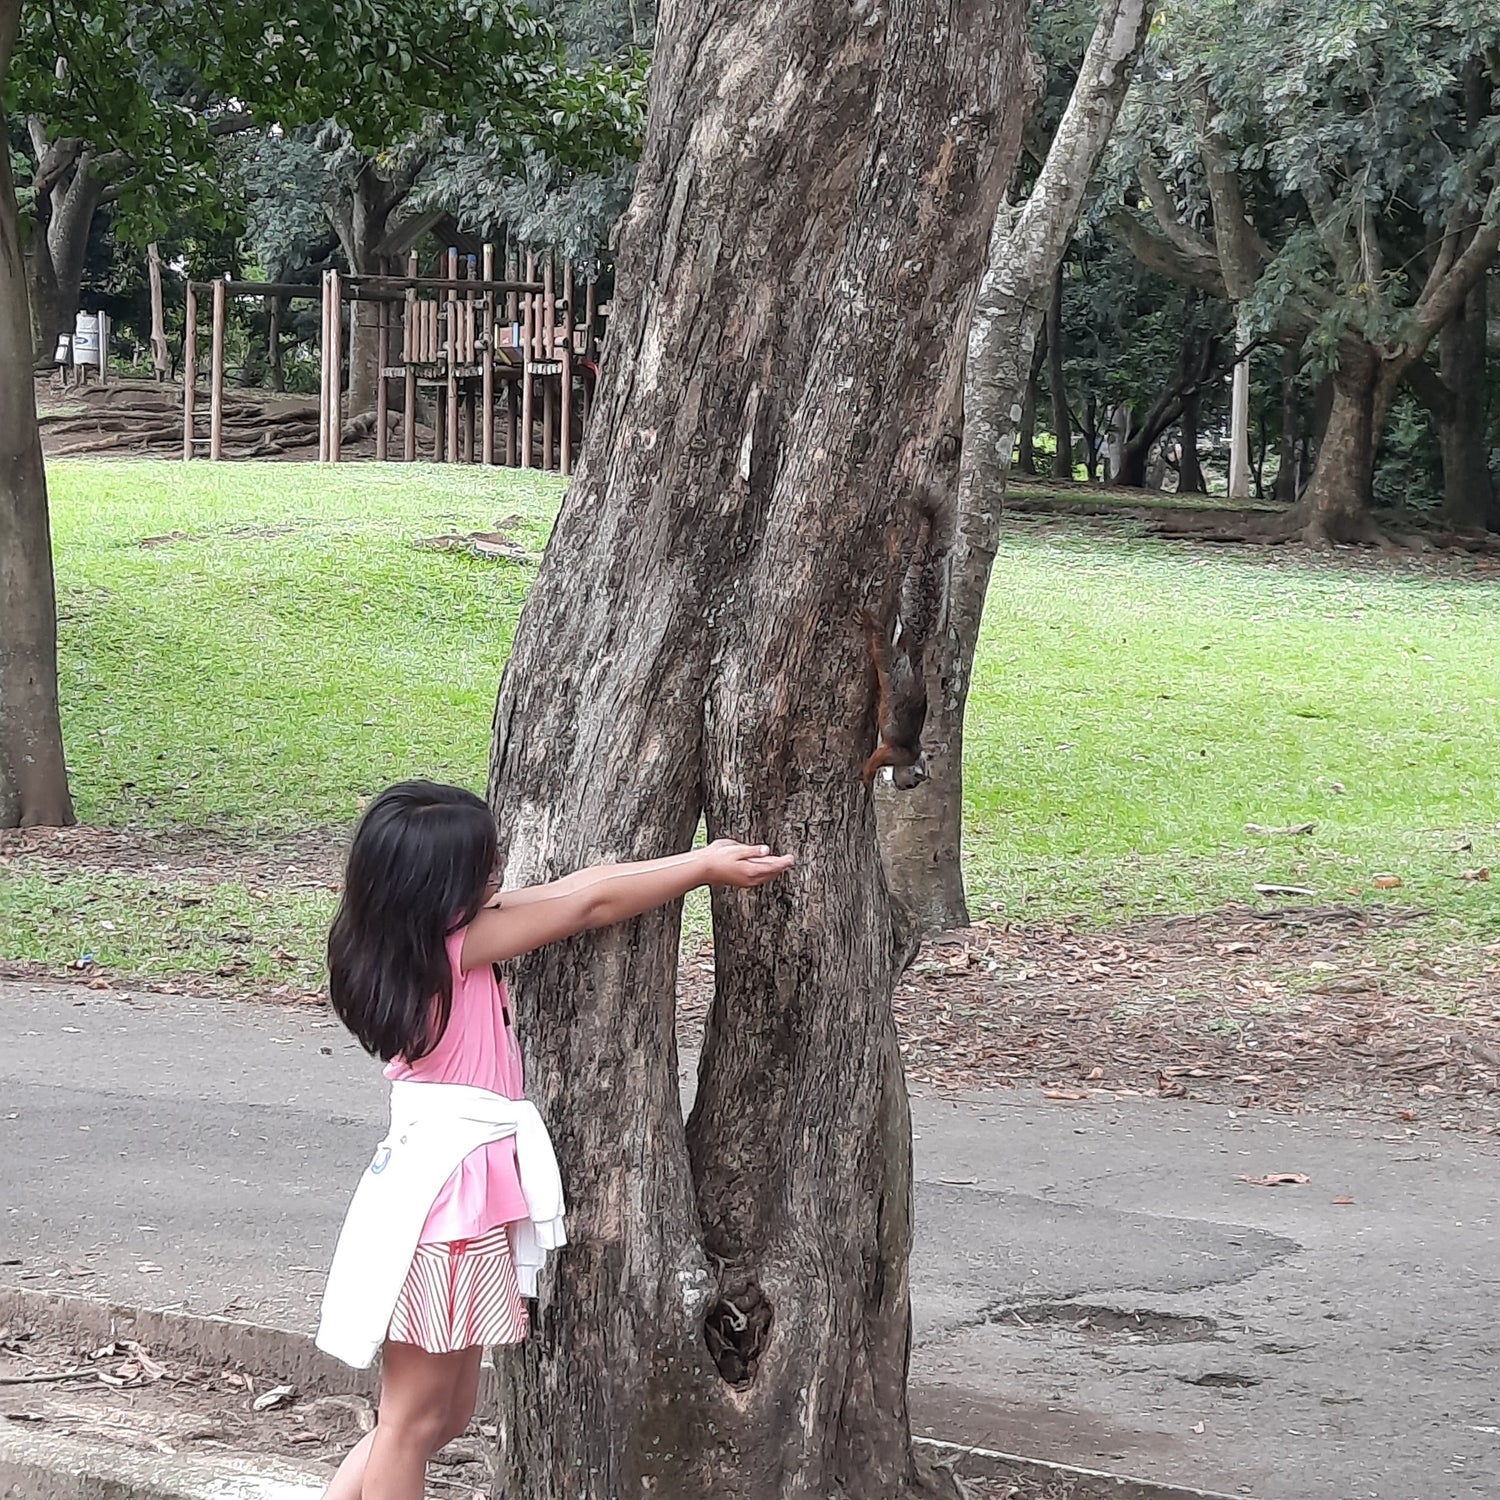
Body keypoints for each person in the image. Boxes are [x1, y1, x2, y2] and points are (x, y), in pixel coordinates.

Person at [314, 780, 793, 1500]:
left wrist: (701, 856)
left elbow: (580, 885)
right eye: (484, 865)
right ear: (436, 887)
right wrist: (702, 869)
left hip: (458, 1195)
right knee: (412, 1421)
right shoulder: (455, 952)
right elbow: (586, 906)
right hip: (443, 1201)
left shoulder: (412, 941)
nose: (499, 872)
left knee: (441, 1417)